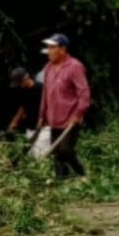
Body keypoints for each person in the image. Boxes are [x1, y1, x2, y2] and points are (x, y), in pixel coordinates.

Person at [37, 33, 91, 178]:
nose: (49, 51)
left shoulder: (75, 66)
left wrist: (78, 114)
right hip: (53, 119)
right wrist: (42, 115)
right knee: (56, 154)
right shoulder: (48, 67)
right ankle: (61, 180)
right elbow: (45, 93)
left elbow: (84, 93)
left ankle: (81, 173)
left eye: (52, 47)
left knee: (64, 151)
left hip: (70, 119)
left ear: (63, 49)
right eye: (48, 47)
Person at [7, 67, 51, 158]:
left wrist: (42, 119)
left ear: (25, 79)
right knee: (30, 156)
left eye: (20, 83)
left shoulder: (41, 88)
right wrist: (13, 123)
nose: (19, 86)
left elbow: (51, 106)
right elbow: (22, 108)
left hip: (44, 129)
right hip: (30, 128)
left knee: (40, 156)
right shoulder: (23, 91)